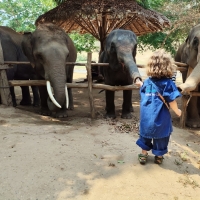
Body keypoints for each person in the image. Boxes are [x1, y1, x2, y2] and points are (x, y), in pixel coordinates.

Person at [135, 49, 182, 165]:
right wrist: (177, 111)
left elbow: (143, 89)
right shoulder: (168, 83)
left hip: (146, 117)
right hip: (161, 118)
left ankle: (143, 155)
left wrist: (140, 83)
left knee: (145, 136)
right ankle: (159, 156)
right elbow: (172, 101)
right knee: (161, 137)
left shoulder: (147, 82)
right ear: (168, 66)